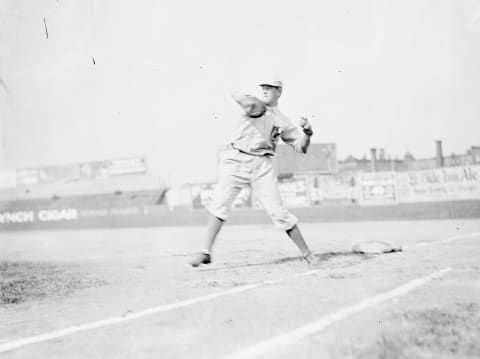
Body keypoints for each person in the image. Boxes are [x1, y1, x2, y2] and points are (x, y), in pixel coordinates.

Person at [190, 76, 319, 267]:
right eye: (263, 87)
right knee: (219, 204)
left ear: (279, 92)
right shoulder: (252, 104)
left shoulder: (282, 119)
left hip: (262, 164)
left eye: (271, 87)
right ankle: (205, 252)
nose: (266, 90)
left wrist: (307, 133)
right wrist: (248, 101)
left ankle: (307, 254)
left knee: (279, 213)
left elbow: (300, 147)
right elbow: (241, 98)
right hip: (236, 159)